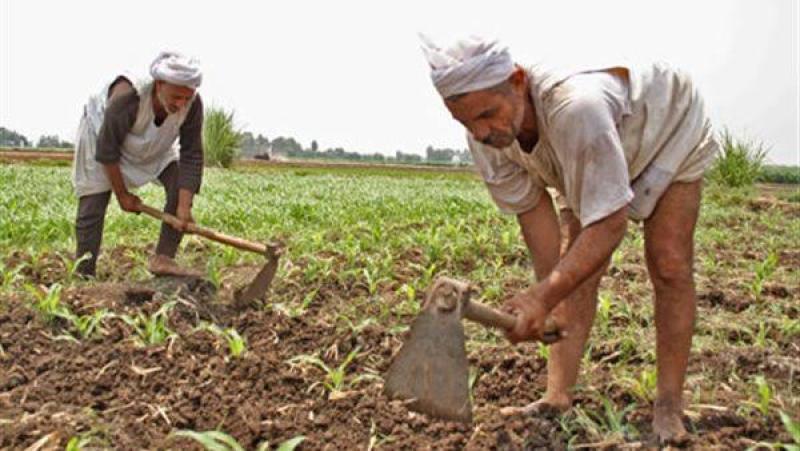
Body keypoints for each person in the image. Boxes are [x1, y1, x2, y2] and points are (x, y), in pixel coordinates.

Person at [421, 35, 718, 445]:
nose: (480, 132)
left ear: (519, 81)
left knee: (668, 262)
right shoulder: (486, 138)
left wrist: (543, 297)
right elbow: (535, 217)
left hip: (665, 127)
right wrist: (550, 301)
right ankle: (557, 396)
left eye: (488, 113)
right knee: (573, 269)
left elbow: (610, 224)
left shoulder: (575, 108)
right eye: (466, 122)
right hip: (590, 149)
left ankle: (668, 404)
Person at [72, 51, 204, 278]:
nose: (181, 103)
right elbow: (107, 148)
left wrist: (183, 208)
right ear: (159, 84)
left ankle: (164, 257)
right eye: (176, 97)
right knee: (93, 202)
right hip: (100, 137)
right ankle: (84, 274)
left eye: (187, 97)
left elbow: (192, 154)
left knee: (178, 180)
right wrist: (122, 195)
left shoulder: (192, 106)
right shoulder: (128, 97)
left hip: (153, 142)